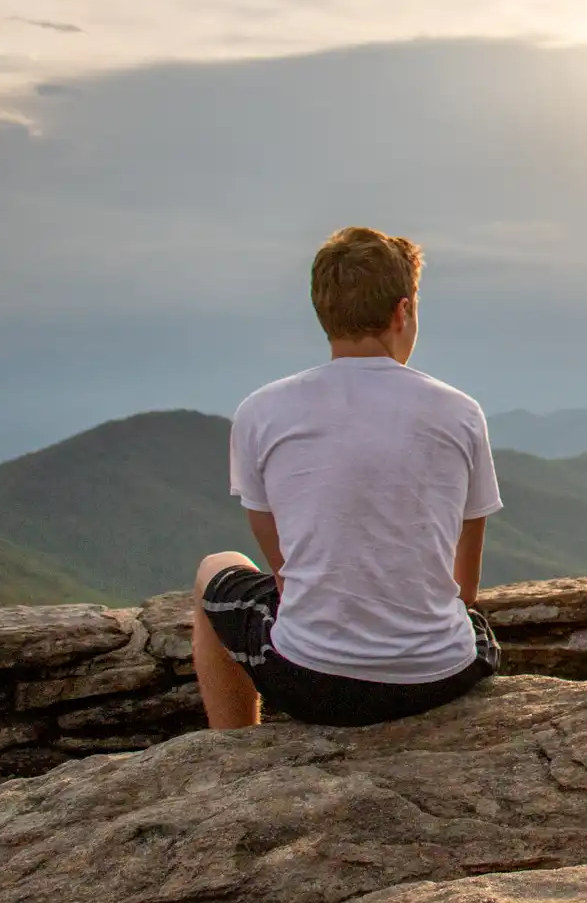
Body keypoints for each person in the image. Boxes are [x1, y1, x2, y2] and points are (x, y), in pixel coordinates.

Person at [192, 226, 503, 729]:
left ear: (325, 315)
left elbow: (284, 574)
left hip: (314, 682)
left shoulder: (260, 411)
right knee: (470, 627)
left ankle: (234, 753)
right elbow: (464, 592)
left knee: (217, 565)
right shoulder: (461, 413)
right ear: (403, 311)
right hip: (441, 677)